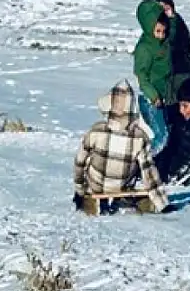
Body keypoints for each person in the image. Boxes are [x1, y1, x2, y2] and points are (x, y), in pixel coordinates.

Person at [73, 80, 173, 215]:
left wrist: (80, 189)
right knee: (138, 162)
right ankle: (123, 198)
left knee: (89, 156)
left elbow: (79, 161)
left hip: (96, 184)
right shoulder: (139, 136)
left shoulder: (97, 130)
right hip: (121, 185)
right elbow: (148, 171)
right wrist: (161, 202)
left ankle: (97, 202)